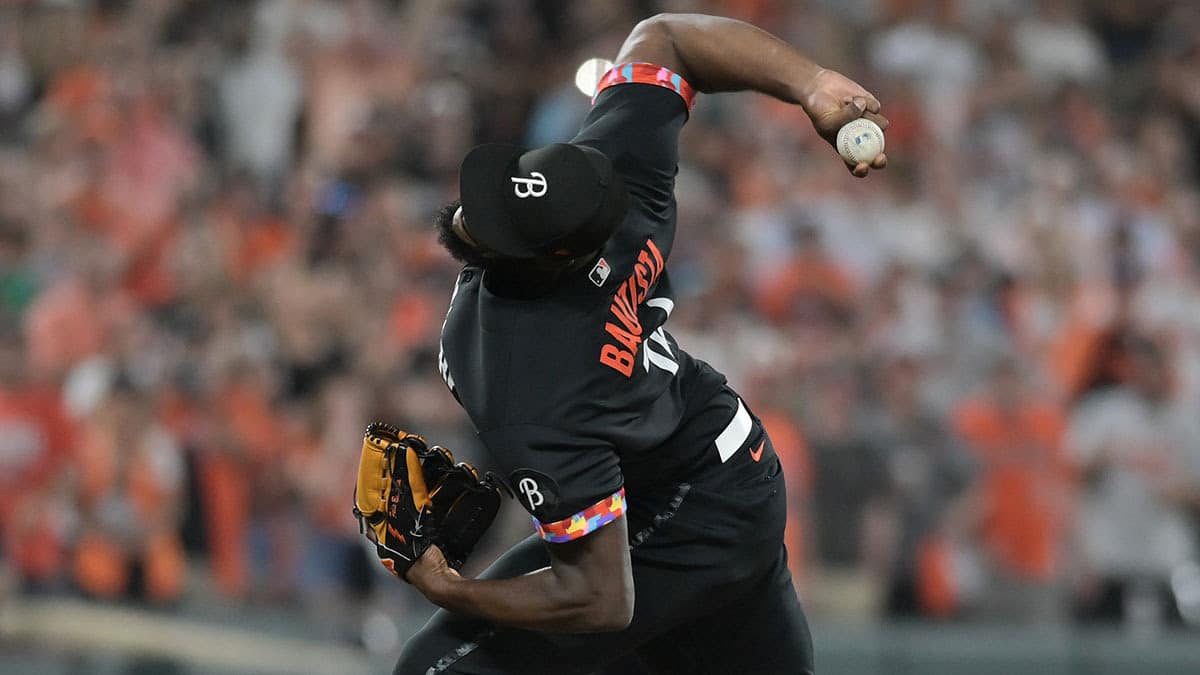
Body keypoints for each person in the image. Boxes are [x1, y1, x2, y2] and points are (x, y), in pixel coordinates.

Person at [394, 13, 887, 675]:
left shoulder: (526, 377)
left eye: (501, 226)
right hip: (717, 460)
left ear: (551, 263)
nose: (471, 217)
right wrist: (812, 83)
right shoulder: (616, 177)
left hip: (691, 512)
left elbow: (600, 598)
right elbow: (669, 36)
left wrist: (453, 588)